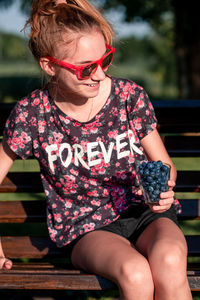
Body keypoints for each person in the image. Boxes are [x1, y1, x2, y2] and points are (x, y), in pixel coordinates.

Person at [0, 0, 192, 299]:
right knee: (135, 272)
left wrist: (165, 187)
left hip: (146, 215)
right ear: (49, 65)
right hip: (86, 229)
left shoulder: (129, 97)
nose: (100, 74)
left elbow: (164, 165)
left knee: (169, 261)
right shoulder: (32, 114)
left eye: (106, 60)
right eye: (86, 68)